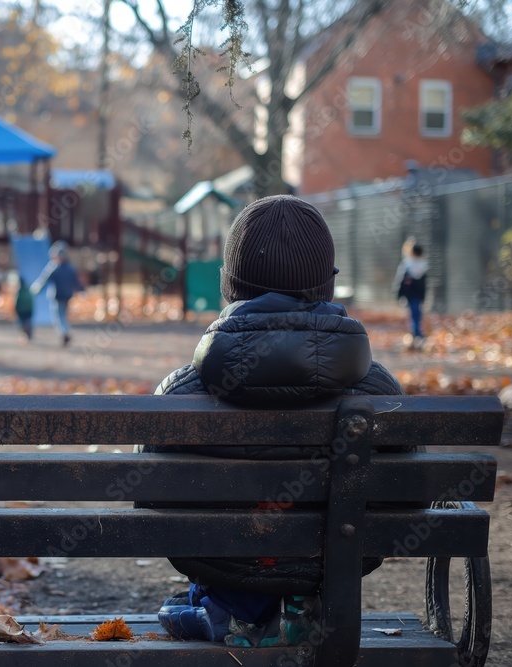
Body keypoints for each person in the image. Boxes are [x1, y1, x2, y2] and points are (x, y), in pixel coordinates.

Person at [144, 195, 405, 647]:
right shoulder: (377, 392)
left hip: (219, 562)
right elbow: (406, 498)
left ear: (230, 287)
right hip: (332, 559)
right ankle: (301, 604)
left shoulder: (182, 392)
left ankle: (229, 609)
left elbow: (148, 494)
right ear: (327, 286)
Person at [32, 241, 84, 347]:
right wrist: (82, 290)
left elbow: (44, 280)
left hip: (57, 296)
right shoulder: (70, 268)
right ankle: (66, 332)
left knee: (58, 317)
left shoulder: (54, 268)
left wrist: (35, 289)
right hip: (67, 295)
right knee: (63, 316)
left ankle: (64, 333)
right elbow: (76, 282)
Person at [394, 242, 428, 347]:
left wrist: (399, 294)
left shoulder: (407, 265)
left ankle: (416, 334)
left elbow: (401, 281)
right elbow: (424, 284)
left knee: (413, 314)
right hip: (418, 294)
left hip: (410, 294)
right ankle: (417, 334)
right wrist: (423, 296)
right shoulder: (424, 265)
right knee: (416, 314)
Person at [15, 273, 34, 341]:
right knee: (28, 322)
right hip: (29, 310)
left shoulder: (20, 292)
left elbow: (17, 302)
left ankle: (25, 335)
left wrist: (16, 309)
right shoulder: (28, 290)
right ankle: (29, 335)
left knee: (23, 323)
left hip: (22, 310)